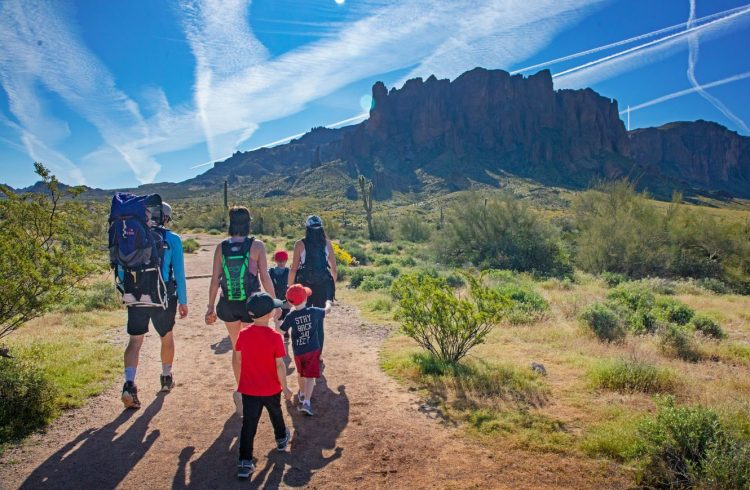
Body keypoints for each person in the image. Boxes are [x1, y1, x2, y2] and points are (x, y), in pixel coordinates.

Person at [205, 206, 278, 416]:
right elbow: (264, 277)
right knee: (253, 349)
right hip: (250, 304)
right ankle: (253, 390)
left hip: (228, 304)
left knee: (238, 348)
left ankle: (242, 391)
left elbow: (215, 280)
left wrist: (210, 307)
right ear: (248, 223)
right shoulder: (257, 246)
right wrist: (273, 302)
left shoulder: (221, 247)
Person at [121, 201, 188, 409]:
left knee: (135, 341)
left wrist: (127, 293)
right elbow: (179, 273)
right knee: (166, 337)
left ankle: (129, 384)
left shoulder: (131, 238)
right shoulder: (172, 239)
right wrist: (183, 301)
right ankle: (166, 377)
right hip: (163, 297)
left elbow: (123, 269)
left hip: (136, 297)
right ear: (166, 218)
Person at [235, 292, 293, 479]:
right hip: (271, 388)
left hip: (249, 389)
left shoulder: (243, 334)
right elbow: (279, 365)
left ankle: (245, 461)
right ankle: (281, 439)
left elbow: (238, 359)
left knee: (248, 424)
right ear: (270, 314)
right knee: (276, 413)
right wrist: (285, 387)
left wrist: (240, 382)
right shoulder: (275, 337)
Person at [278, 284, 331, 416]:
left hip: (298, 351)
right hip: (312, 350)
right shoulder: (313, 311)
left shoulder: (291, 316)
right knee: (310, 377)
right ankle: (306, 402)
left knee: (301, 373)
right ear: (306, 299)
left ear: (290, 302)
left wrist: (276, 320)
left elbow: (280, 331)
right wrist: (328, 302)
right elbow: (327, 310)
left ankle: (302, 394)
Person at [289, 215, 336, 353]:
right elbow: (333, 268)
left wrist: (290, 288)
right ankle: (319, 355)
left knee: (304, 318)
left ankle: (307, 351)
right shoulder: (327, 244)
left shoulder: (300, 244)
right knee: (319, 321)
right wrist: (332, 288)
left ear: (307, 228)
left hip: (305, 286)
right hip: (323, 285)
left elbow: (293, 269)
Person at [269, 250, 291, 337]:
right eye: (279, 260)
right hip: (276, 299)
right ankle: (278, 334)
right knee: (278, 317)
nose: (281, 262)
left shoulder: (289, 271)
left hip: (285, 299)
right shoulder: (271, 271)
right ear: (276, 260)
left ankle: (284, 331)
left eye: (283, 260)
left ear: (286, 260)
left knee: (284, 316)